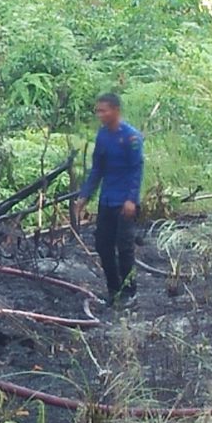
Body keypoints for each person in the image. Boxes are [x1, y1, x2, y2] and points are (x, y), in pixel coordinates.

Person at [75, 93, 144, 306]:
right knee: (103, 245)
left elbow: (136, 168)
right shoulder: (103, 136)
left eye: (103, 110)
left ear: (115, 110)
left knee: (124, 248)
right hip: (107, 200)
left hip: (125, 202)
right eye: (98, 111)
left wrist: (131, 199)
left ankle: (130, 291)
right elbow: (97, 168)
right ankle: (114, 290)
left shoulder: (131, 137)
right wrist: (85, 195)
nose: (100, 115)